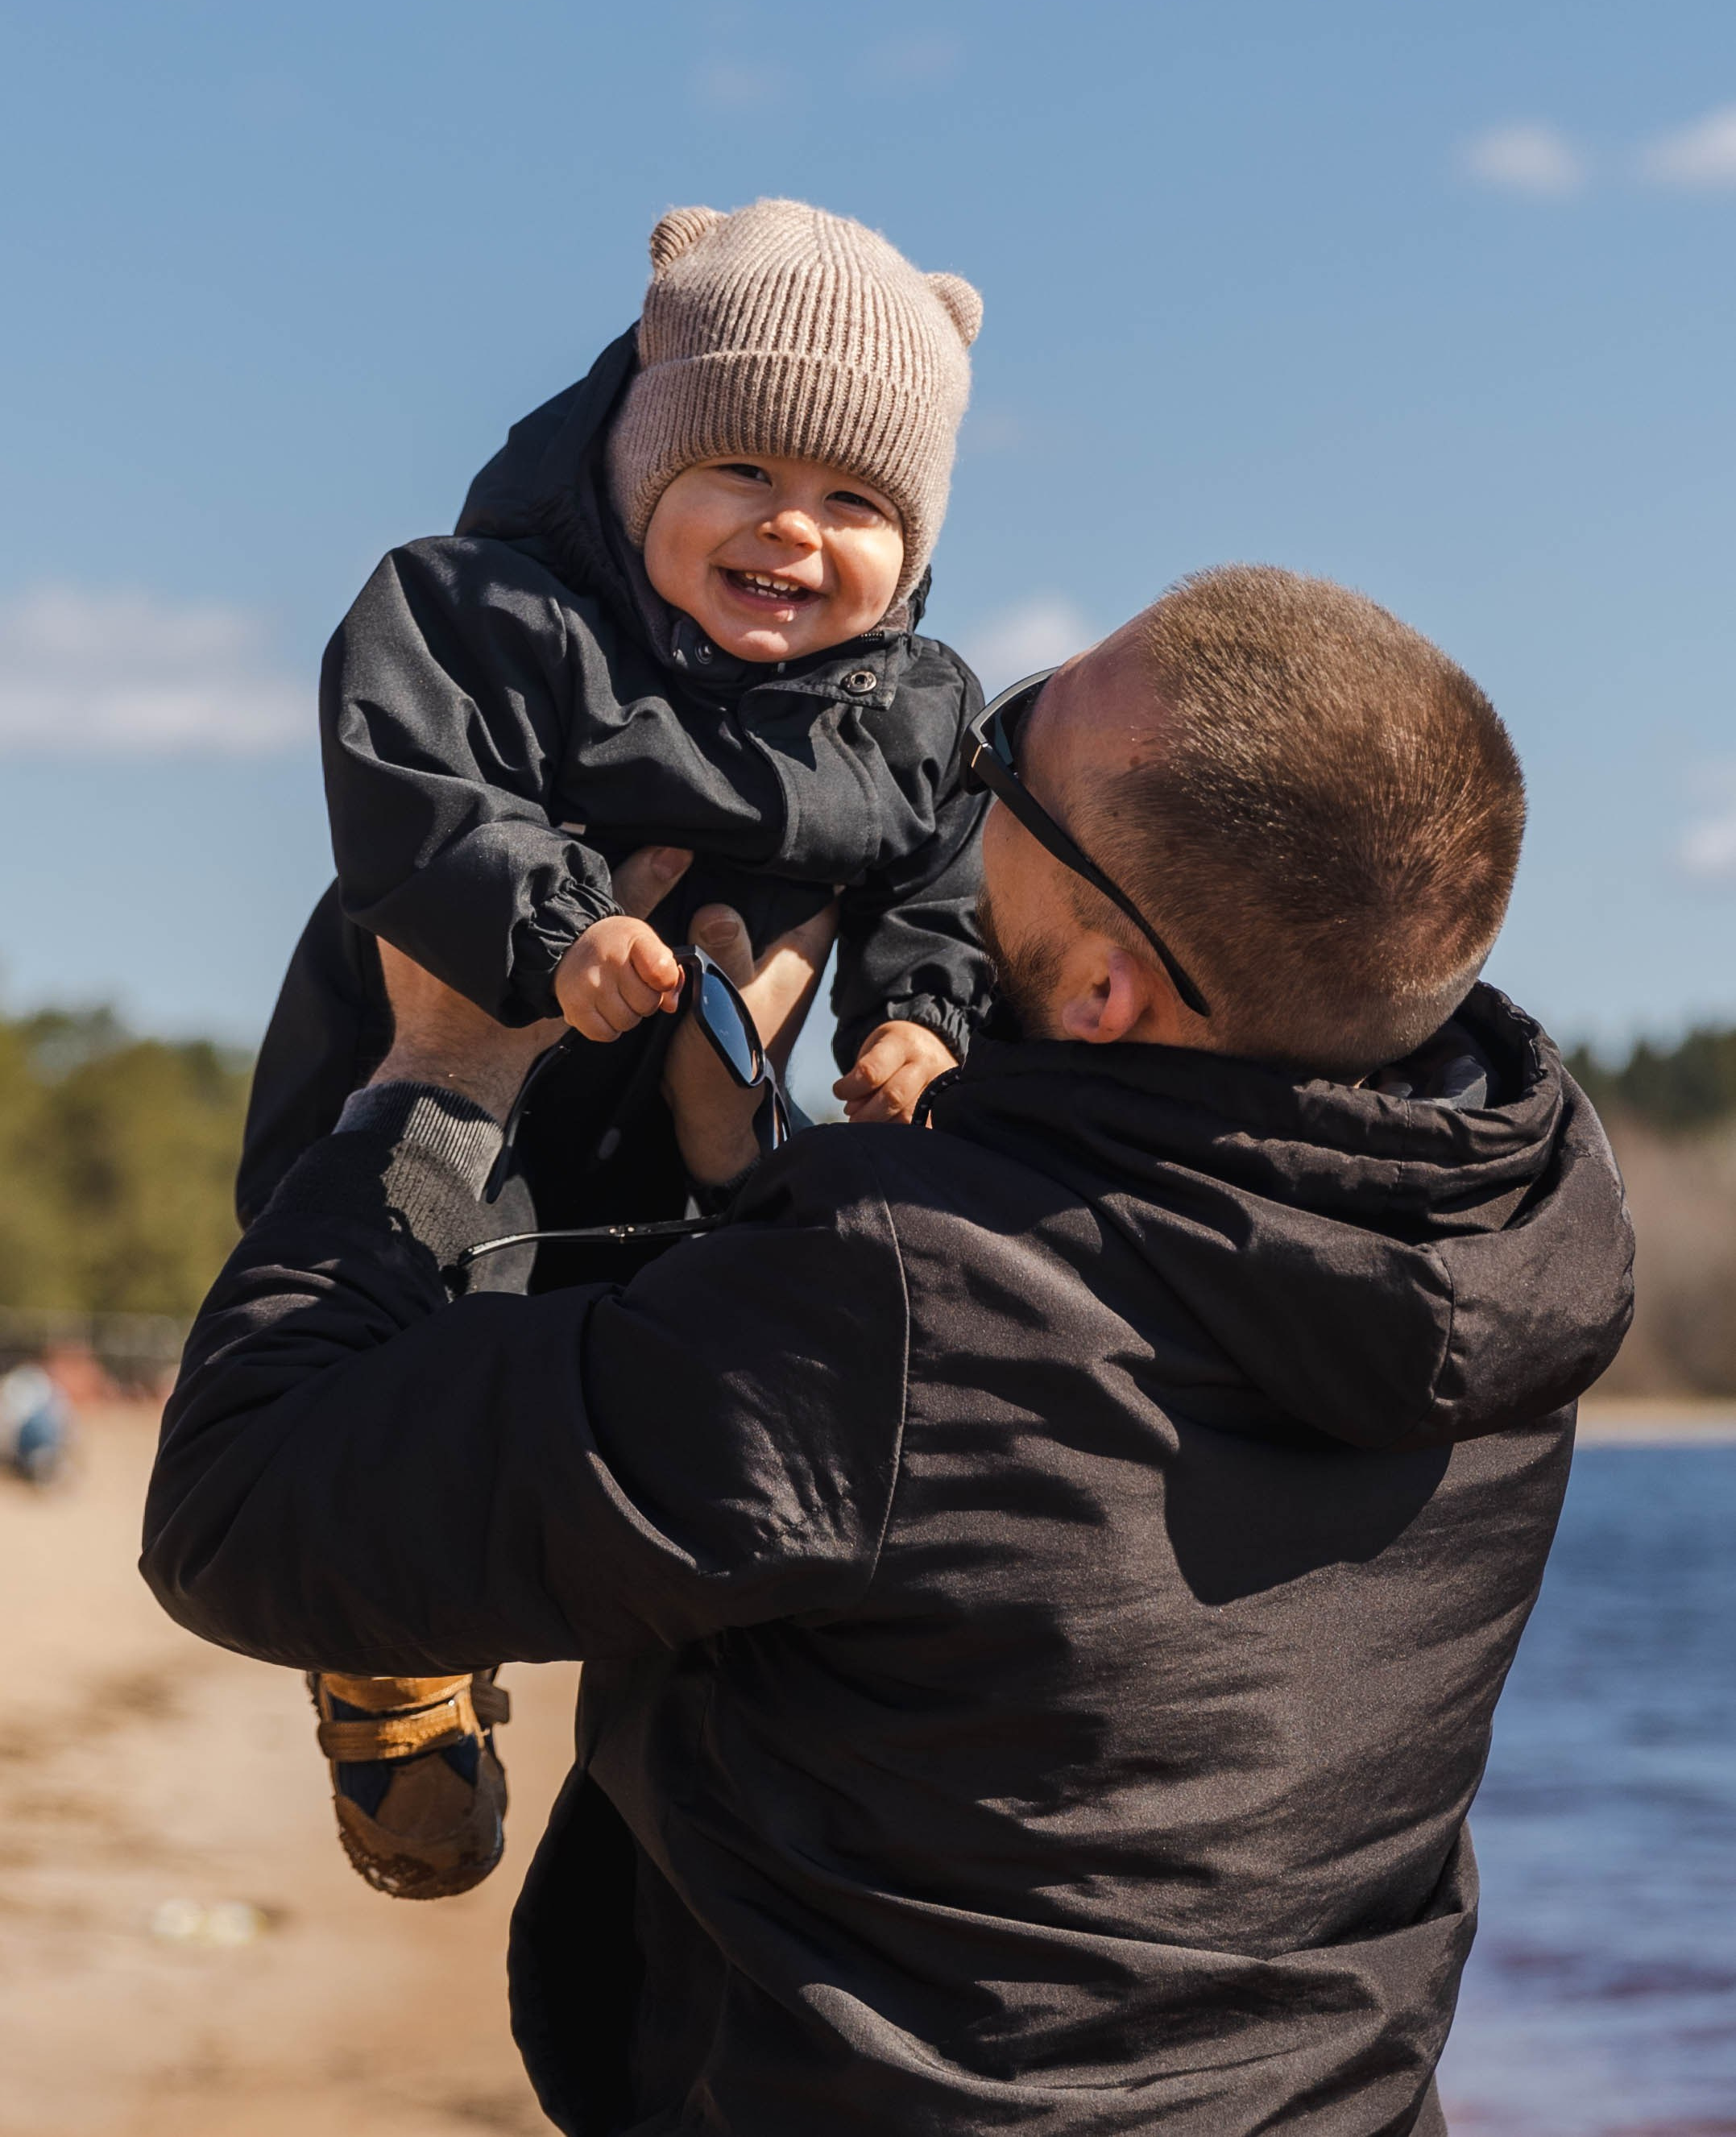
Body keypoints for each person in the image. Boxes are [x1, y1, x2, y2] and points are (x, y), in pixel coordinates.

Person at [143, 566, 1634, 2135]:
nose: (959, 804)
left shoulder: (899, 1298)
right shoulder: (1509, 1242)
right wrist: (740, 1165)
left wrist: (441, 1080)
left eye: (995, 766)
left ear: (1111, 985)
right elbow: (966, 1516)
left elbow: (247, 1500)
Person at [240, 197, 993, 1889]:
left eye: (856, 501)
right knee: (403, 1403)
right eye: (744, 476)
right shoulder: (486, 613)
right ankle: (396, 1694)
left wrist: (918, 1024)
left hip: (682, 1150)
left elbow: (949, 881)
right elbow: (411, 788)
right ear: (643, 469)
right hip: (455, 1078)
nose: (795, 532)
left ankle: (722, 1758)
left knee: (687, 1409)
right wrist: (554, 924)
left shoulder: (916, 709)